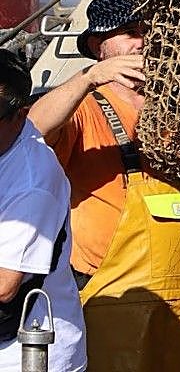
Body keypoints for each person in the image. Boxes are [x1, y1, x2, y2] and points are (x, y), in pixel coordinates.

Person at [28, 0, 180, 372]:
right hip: (111, 301)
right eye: (129, 32)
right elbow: (32, 130)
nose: (143, 40)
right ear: (99, 46)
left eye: (148, 30)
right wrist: (91, 78)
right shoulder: (84, 109)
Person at [0, 49, 86, 372]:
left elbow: (5, 284)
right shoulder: (10, 139)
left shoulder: (33, 181)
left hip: (29, 356)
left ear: (19, 116)